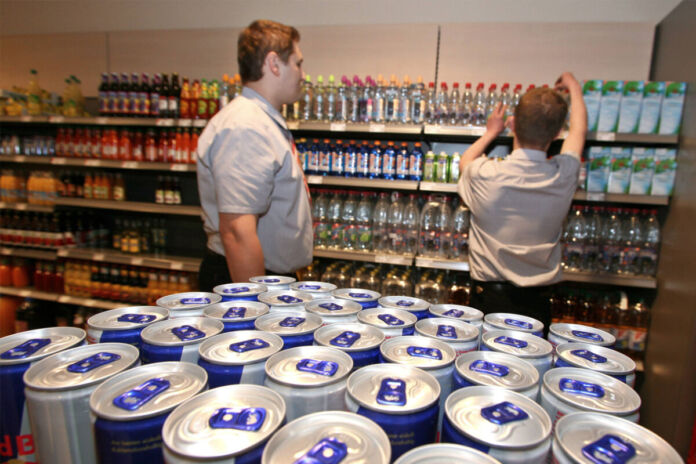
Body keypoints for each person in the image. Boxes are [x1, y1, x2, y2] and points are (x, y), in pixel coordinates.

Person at [457, 72, 587, 332]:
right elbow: (579, 131)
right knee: (532, 370)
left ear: (513, 124)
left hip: (488, 301)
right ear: (558, 133)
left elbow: (465, 161)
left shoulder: (485, 173)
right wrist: (573, 86)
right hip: (537, 304)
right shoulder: (564, 174)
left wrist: (491, 132)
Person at [196, 19, 313, 291]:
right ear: (274, 64)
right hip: (248, 279)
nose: (302, 73)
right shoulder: (246, 126)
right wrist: (255, 307)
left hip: (267, 277)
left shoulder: (261, 120)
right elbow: (237, 232)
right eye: (297, 63)